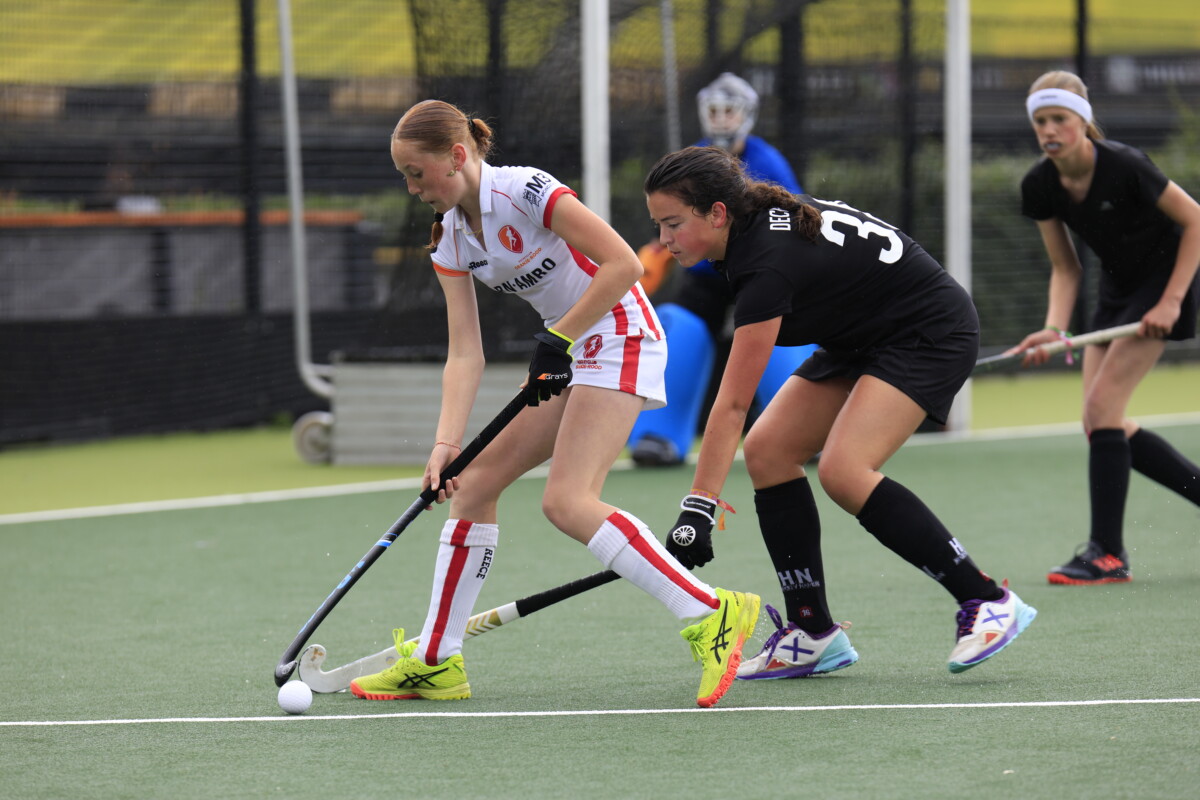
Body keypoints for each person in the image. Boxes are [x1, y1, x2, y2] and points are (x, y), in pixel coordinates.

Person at [347, 100, 760, 709]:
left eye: (416, 172)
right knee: (473, 483)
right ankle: (437, 660)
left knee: (567, 501)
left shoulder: (525, 191)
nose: (411, 188)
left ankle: (710, 612)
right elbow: (465, 354)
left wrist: (559, 337)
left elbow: (623, 264)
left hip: (619, 335)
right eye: (404, 176)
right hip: (567, 353)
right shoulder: (450, 240)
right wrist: (445, 445)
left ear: (456, 156)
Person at [644, 146, 1036, 679]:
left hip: (927, 332)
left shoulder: (764, 265)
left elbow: (733, 403)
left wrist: (698, 509)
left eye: (673, 224)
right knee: (768, 450)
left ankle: (986, 599)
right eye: (659, 226)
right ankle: (812, 632)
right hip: (862, 336)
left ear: (717, 213)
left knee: (844, 471)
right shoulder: (749, 230)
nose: (664, 239)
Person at [1010, 71, 1200, 586]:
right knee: (1100, 422)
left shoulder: (1125, 165)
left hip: (1163, 286)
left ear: (1083, 121)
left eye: (1059, 119)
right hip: (1117, 292)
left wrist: (1171, 302)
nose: (1049, 130)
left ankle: (1108, 555)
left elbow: (1195, 220)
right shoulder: (1040, 184)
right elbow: (1066, 268)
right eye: (1040, 121)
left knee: (1101, 411)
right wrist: (1054, 329)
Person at [628, 72, 816, 467]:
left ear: (746, 115)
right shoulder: (691, 159)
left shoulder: (769, 163)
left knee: (784, 333)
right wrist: (658, 251)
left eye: (729, 111)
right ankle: (659, 433)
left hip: (759, 273)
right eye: (714, 111)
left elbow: (794, 218)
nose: (722, 119)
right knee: (679, 327)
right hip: (707, 276)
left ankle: (805, 431)